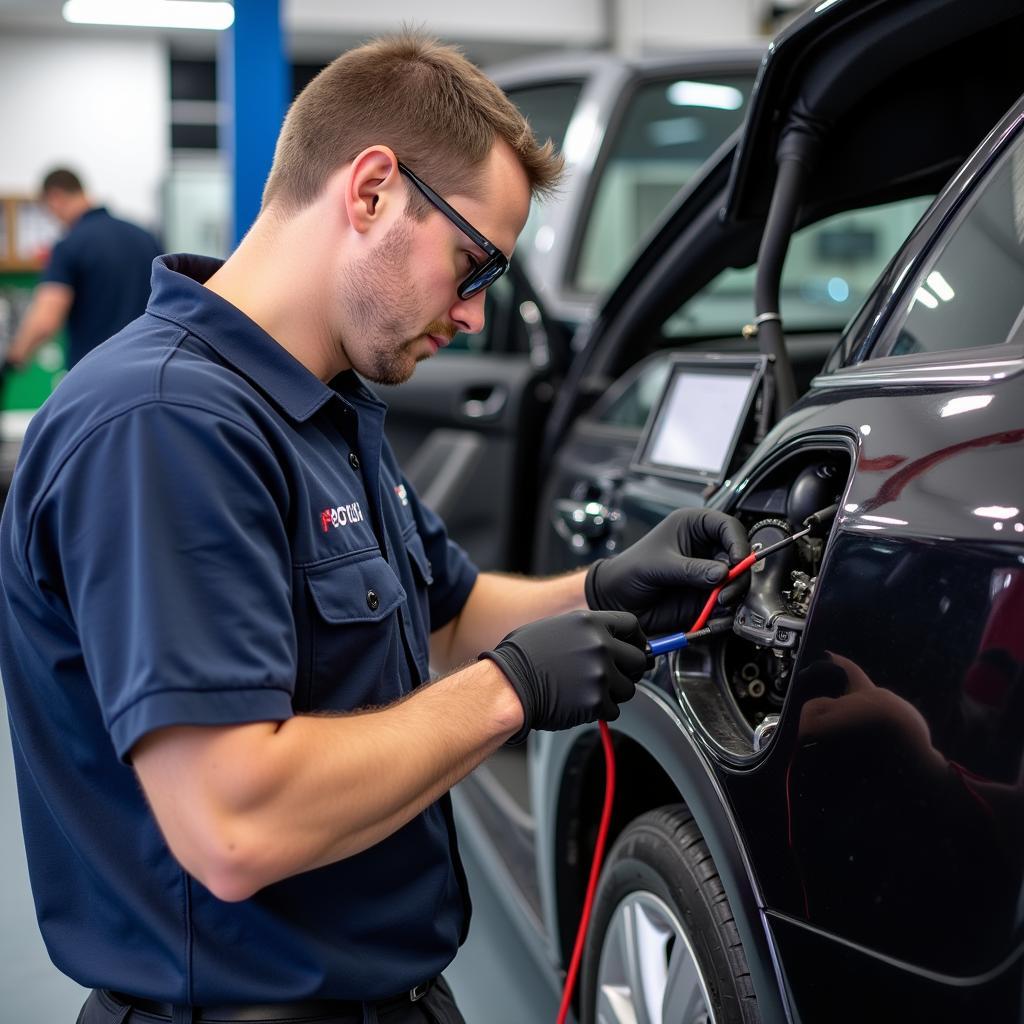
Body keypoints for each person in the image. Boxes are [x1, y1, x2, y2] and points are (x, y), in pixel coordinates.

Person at [0, 33, 749, 1024]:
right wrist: (512, 691)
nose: (477, 317)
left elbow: (452, 611)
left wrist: (604, 588)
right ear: (371, 193)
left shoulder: (318, 405)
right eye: (474, 265)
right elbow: (233, 821)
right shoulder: (167, 427)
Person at [5, 167, 162, 372]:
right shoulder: (145, 237)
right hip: (150, 368)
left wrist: (15, 356)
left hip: (95, 374)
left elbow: (46, 318)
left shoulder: (70, 245)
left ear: (55, 197)